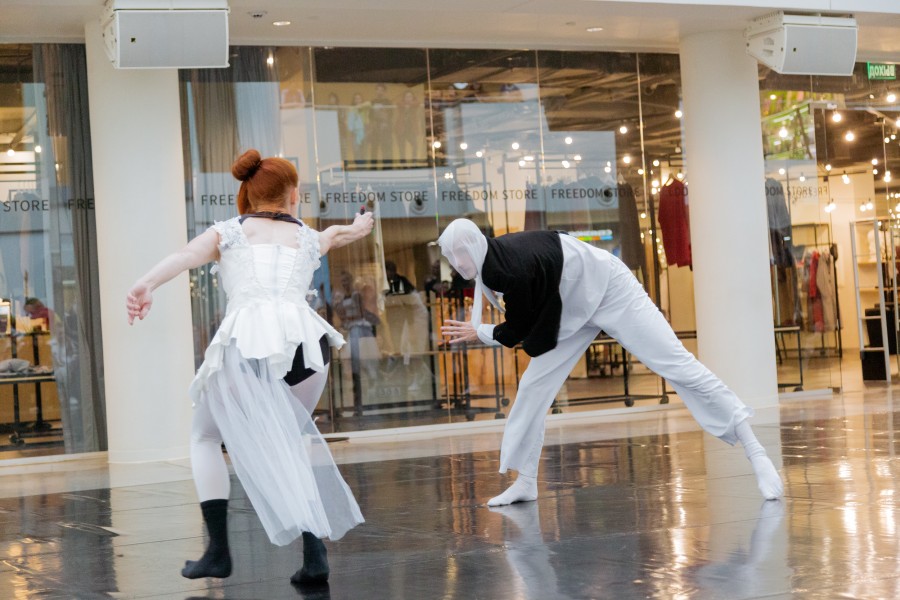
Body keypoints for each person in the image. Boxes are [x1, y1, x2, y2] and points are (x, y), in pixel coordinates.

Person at [125, 149, 373, 585]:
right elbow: (344, 232)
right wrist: (361, 223)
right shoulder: (310, 237)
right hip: (307, 344)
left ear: (249, 192)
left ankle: (218, 552)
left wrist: (145, 284)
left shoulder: (229, 233)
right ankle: (314, 555)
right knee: (289, 438)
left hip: (252, 341)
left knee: (205, 437)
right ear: (293, 194)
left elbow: (184, 256)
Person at [438, 219, 783, 506]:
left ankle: (756, 452)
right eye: (451, 256)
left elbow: (520, 328)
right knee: (532, 387)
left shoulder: (506, 268)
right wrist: (483, 330)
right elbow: (528, 317)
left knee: (677, 363)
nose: (457, 263)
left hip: (610, 289)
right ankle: (526, 481)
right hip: (567, 306)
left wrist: (480, 331)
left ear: (476, 246)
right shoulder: (493, 261)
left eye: (460, 253)